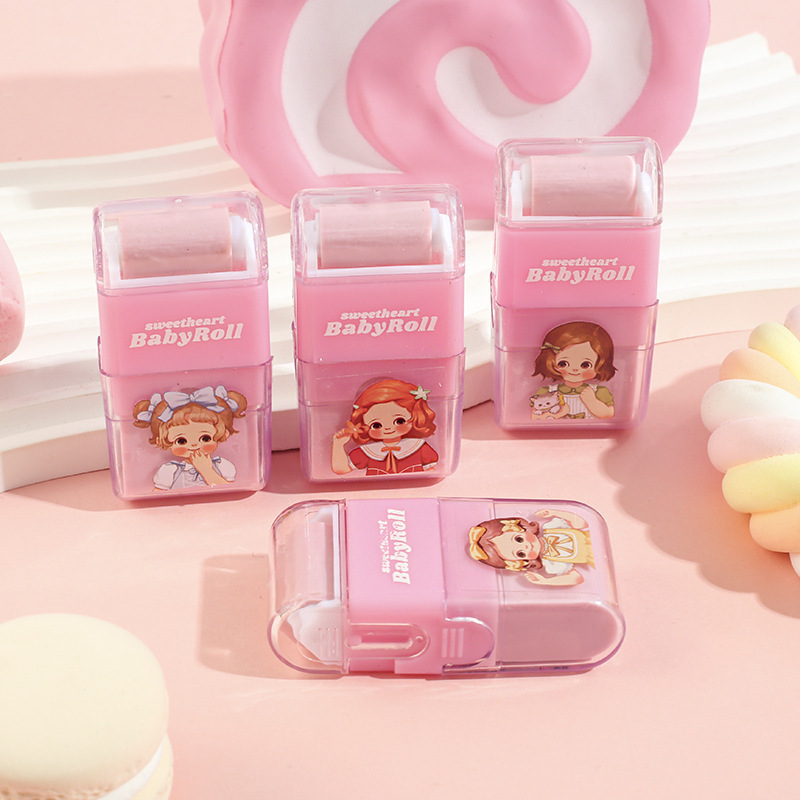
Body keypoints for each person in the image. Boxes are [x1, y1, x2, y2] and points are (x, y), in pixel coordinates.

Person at [132, 385, 247, 490]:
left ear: (224, 433)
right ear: (160, 440)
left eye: (205, 438)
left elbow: (230, 492)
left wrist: (206, 470)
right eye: (181, 441)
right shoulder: (169, 471)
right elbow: (158, 497)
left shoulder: (222, 466)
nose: (194, 444)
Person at [331, 378, 438, 476]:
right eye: (376, 425)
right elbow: (341, 469)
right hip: (376, 489)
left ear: (415, 416)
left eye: (399, 421)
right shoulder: (369, 451)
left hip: (413, 488)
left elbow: (431, 472)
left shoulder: (418, 447)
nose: (388, 428)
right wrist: (338, 445)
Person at [468, 508, 595, 585]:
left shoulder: (552, 527)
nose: (526, 546)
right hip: (595, 559)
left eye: (519, 539)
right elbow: (576, 578)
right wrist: (545, 581)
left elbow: (582, 523)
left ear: (522, 529)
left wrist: (555, 512)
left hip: (594, 536)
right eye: (520, 554)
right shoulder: (552, 564)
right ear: (522, 561)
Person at [530, 321, 616, 420]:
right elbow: (535, 417)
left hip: (590, 429)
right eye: (563, 363)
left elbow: (608, 414)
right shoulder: (547, 392)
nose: (575, 369)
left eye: (585, 365)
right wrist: (559, 414)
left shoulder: (599, 391)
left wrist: (592, 401)